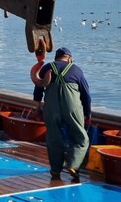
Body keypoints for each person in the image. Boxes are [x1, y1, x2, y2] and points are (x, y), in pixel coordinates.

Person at [31, 46, 91, 181]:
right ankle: (73, 165)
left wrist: (38, 108)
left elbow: (38, 90)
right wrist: (88, 113)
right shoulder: (76, 69)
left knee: (54, 139)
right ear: (69, 58)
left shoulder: (47, 67)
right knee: (81, 138)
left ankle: (56, 171)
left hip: (51, 107)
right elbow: (86, 94)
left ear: (56, 58)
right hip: (72, 108)